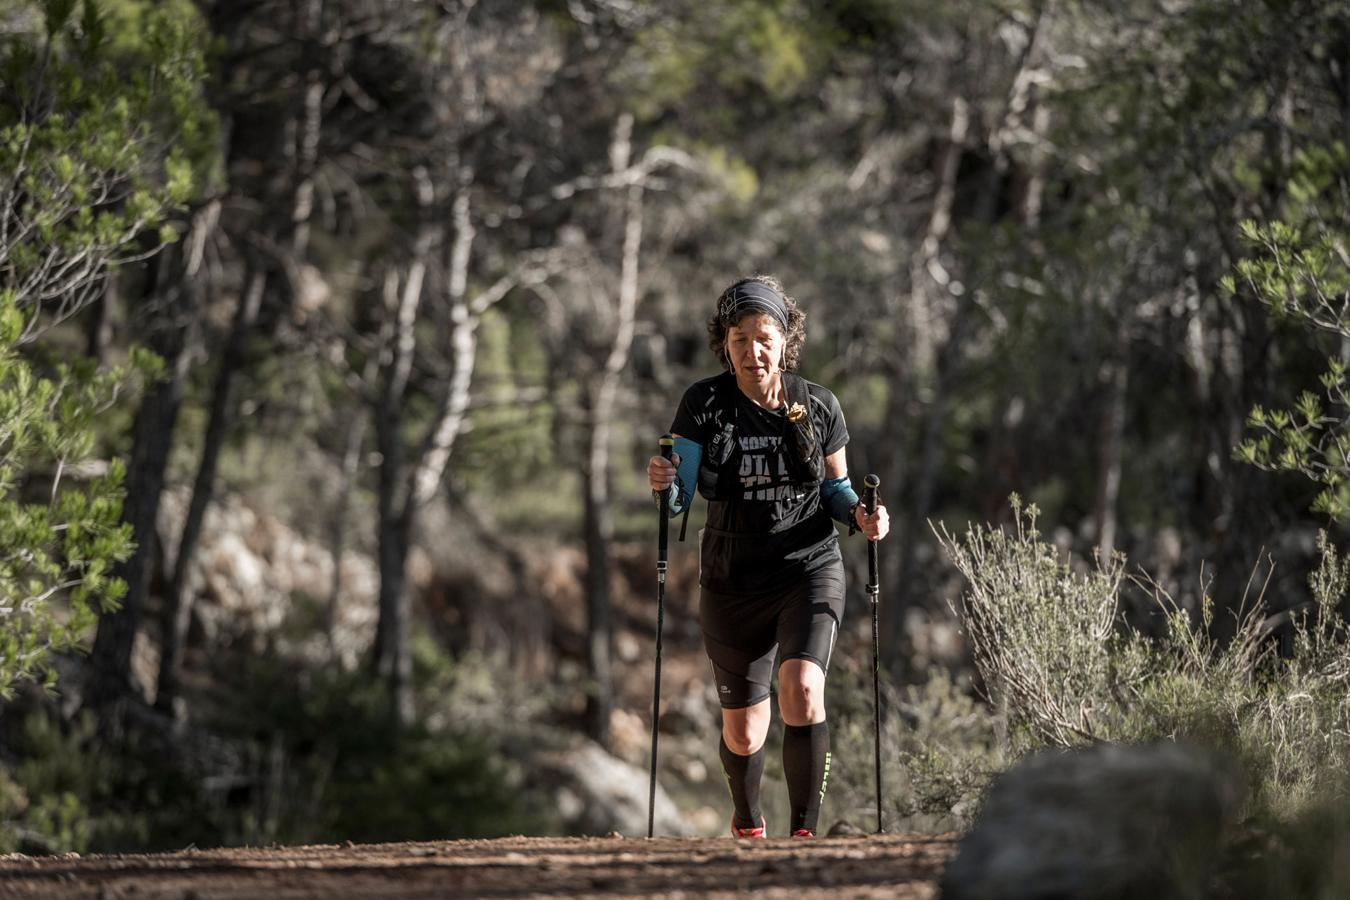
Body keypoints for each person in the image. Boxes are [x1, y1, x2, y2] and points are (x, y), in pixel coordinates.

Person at [646, 274, 889, 839]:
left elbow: (837, 491)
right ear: (723, 344)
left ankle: (805, 834)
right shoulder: (703, 405)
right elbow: (679, 494)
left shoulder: (819, 404)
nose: (752, 351)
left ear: (786, 340)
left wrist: (863, 516)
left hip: (808, 567)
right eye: (738, 339)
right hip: (732, 577)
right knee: (744, 734)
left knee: (803, 690)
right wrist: (663, 482)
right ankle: (749, 823)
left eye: (764, 337)